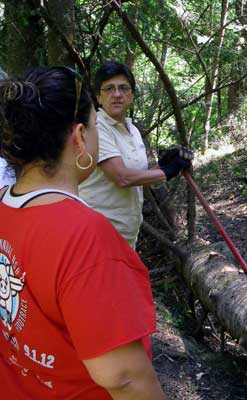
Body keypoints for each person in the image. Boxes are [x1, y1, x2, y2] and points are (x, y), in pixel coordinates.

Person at [0, 67, 166, 399]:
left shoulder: (5, 207)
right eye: (93, 125)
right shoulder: (86, 238)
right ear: (79, 137)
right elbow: (125, 378)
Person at [79, 61, 191, 248]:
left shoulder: (132, 130)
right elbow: (121, 177)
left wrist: (163, 165)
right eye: (109, 89)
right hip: (99, 233)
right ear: (98, 97)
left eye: (124, 88)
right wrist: (168, 171)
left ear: (131, 95)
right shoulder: (97, 127)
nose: (117, 94)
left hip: (127, 233)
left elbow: (139, 177)